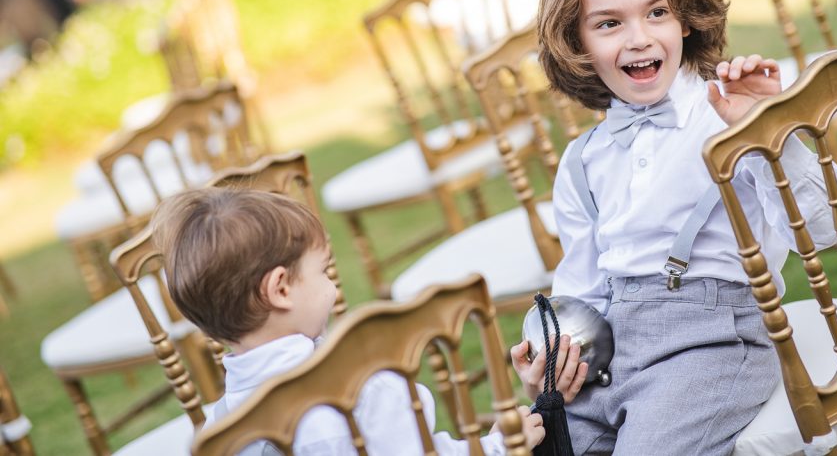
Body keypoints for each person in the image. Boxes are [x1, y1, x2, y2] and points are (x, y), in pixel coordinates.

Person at [509, 0, 837, 455]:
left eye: (657, 12)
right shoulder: (584, 161)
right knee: (537, 447)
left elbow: (832, 228)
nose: (638, 37)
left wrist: (769, 129)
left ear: (687, 19)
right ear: (576, 43)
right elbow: (580, 287)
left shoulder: (729, 116)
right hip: (611, 351)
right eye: (608, 23)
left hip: (711, 345)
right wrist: (549, 343)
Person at [151, 187, 545, 455]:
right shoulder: (361, 386)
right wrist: (499, 446)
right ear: (281, 289)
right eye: (323, 271)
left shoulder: (221, 433)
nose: (333, 285)